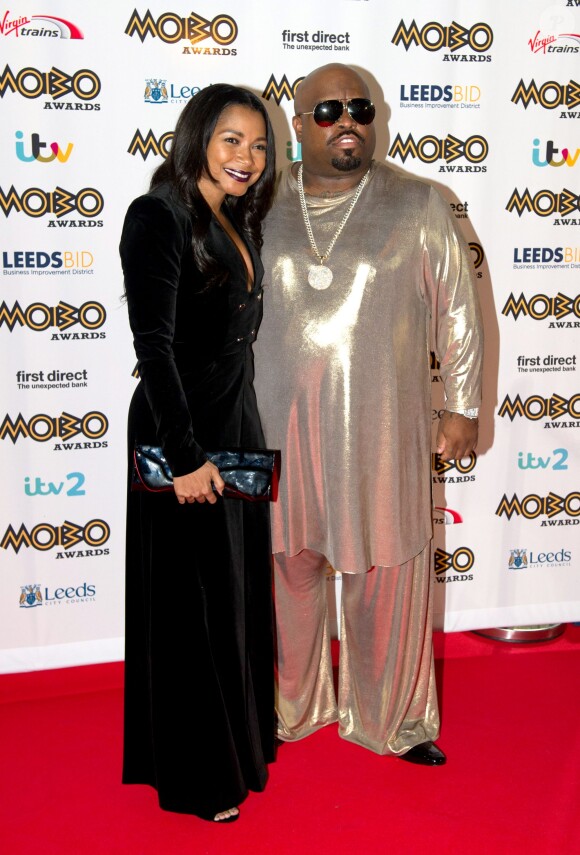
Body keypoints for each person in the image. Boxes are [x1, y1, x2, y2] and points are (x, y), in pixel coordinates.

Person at [253, 64, 483, 763]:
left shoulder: (418, 202)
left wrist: (462, 406)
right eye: (327, 110)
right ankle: (290, 708)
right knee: (283, 567)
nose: (346, 121)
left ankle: (393, 721)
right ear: (298, 125)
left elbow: (458, 311)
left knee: (387, 568)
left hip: (382, 425)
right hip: (273, 426)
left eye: (359, 107)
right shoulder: (257, 204)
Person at [120, 84, 277, 823]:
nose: (248, 157)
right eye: (231, 140)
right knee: (190, 610)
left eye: (258, 143)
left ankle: (235, 746)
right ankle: (196, 776)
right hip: (180, 434)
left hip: (232, 429)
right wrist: (183, 456)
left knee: (229, 598)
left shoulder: (236, 216)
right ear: (197, 139)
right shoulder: (158, 214)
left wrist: (238, 434)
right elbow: (153, 345)